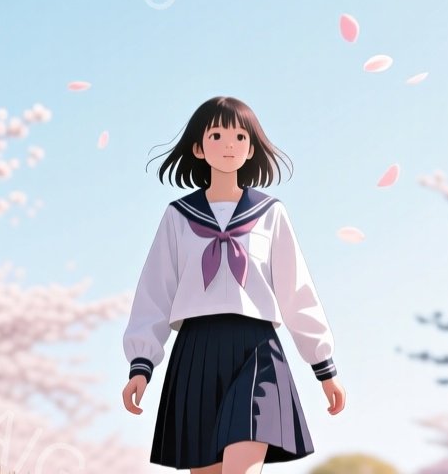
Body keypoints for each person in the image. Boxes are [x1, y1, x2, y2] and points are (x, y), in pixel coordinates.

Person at [121, 95, 346, 473]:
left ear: (252, 147)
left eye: (241, 137)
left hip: (258, 352)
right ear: (198, 146)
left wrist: (324, 367)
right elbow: (155, 292)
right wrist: (141, 365)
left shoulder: (271, 214)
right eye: (218, 135)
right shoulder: (178, 217)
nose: (229, 145)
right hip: (197, 352)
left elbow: (296, 292)